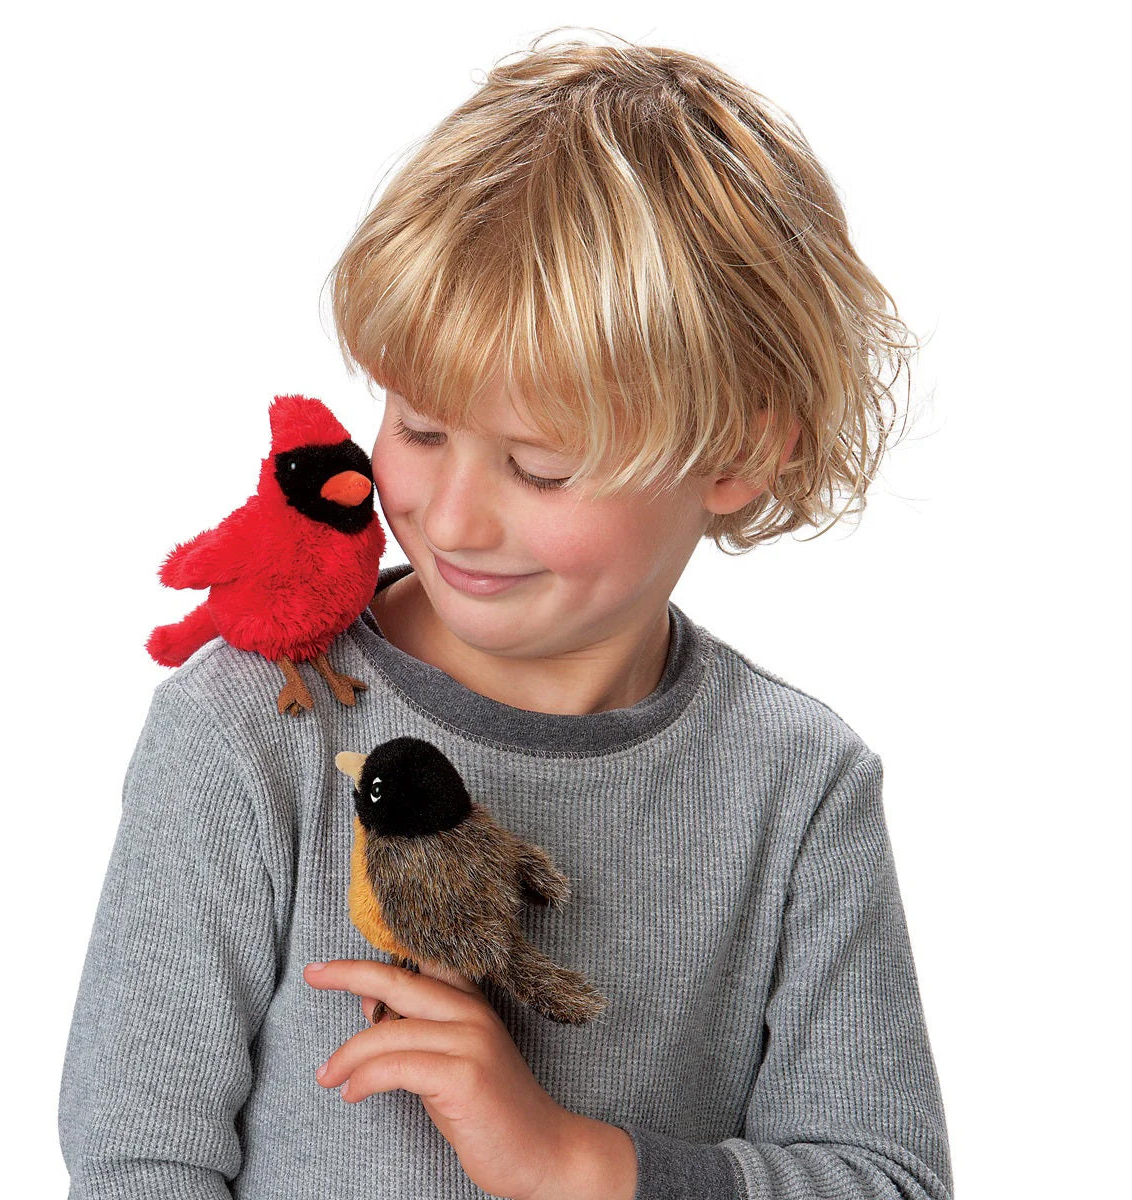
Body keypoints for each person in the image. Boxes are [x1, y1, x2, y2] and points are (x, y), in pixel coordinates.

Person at [58, 30, 953, 1200]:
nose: (451, 518)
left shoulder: (798, 786)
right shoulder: (247, 731)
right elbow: (138, 1161)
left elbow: (888, 1180)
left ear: (738, 455)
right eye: (420, 428)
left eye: (540, 467)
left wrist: (576, 1162)